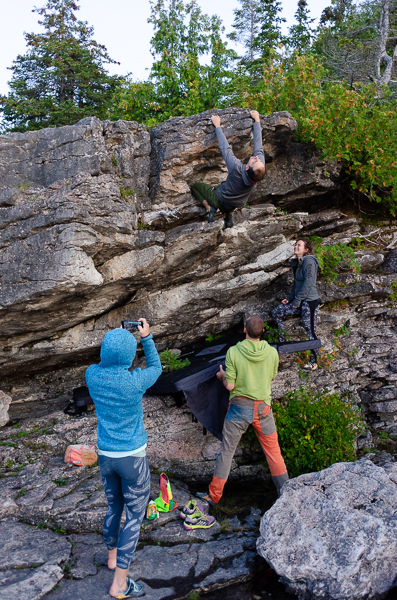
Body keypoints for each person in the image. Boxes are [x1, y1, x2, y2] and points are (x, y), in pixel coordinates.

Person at [85, 319, 162, 599]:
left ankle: (111, 557)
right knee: (133, 518)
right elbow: (156, 368)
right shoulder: (135, 381)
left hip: (106, 456)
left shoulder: (91, 375)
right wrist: (147, 337)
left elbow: (103, 362)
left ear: (105, 352)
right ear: (130, 356)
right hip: (132, 459)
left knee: (113, 507)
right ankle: (119, 584)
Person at [197, 315, 289, 505]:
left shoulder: (233, 352)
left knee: (227, 452)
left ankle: (214, 496)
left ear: (244, 329)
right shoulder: (272, 353)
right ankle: (286, 494)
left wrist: (222, 376)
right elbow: (271, 376)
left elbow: (230, 386)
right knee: (273, 452)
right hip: (263, 408)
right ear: (263, 331)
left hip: (239, 409)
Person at [190, 110, 266, 229]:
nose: (256, 158)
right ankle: (227, 215)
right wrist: (257, 120)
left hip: (220, 198)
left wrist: (217, 126)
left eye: (255, 161)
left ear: (247, 167)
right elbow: (258, 146)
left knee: (196, 187)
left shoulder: (237, 168)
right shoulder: (258, 170)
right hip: (235, 204)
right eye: (259, 160)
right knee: (226, 191)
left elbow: (225, 149)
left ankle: (210, 208)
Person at [272, 238, 321, 371]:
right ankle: (282, 343)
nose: (296, 246)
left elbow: (308, 283)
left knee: (310, 330)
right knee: (277, 312)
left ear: (306, 249)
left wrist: (297, 301)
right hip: (299, 300)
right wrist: (290, 298)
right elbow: (296, 284)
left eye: (299, 245)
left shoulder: (309, 261)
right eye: (295, 244)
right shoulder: (297, 263)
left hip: (309, 301)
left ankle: (314, 362)